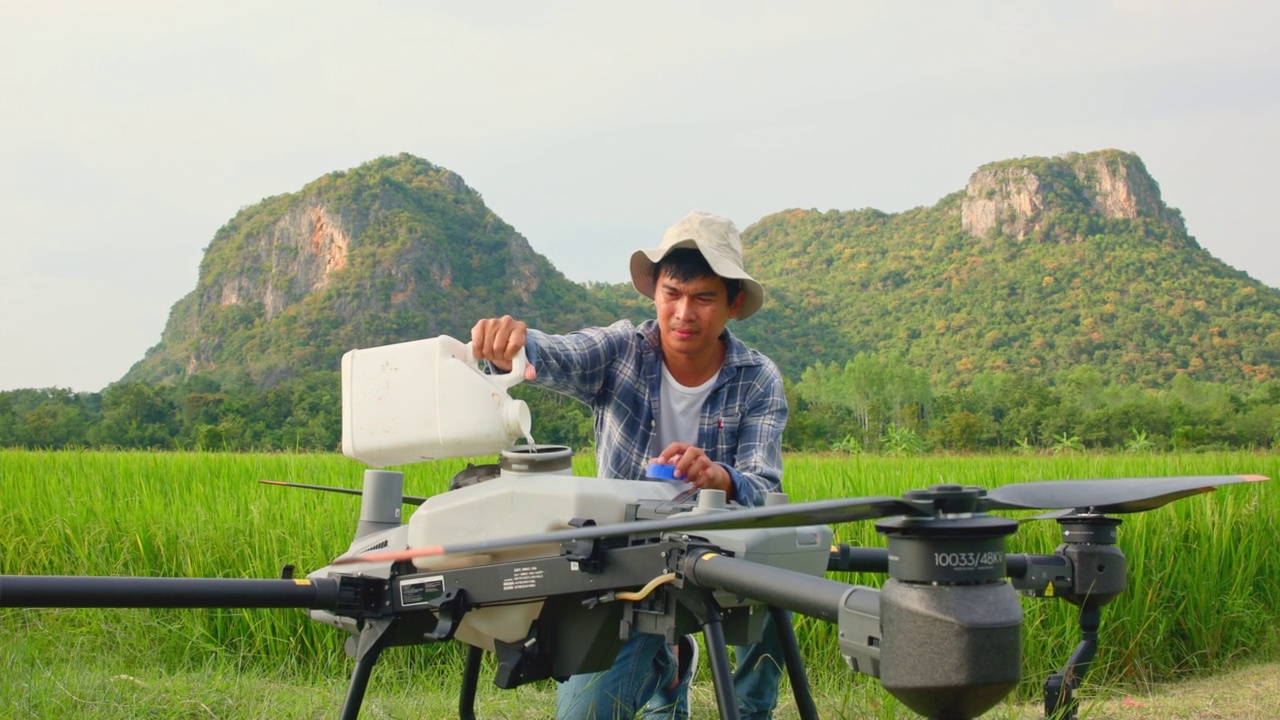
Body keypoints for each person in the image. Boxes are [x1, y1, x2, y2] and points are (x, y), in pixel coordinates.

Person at [471, 210, 788, 720]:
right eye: (672, 295)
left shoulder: (758, 378)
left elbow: (762, 482)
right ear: (655, 294)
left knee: (784, 562)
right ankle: (671, 662)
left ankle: (750, 709)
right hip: (625, 563)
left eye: (703, 298)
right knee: (586, 714)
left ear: (731, 303)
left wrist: (715, 476)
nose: (684, 313)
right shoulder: (621, 350)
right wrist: (512, 344)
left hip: (720, 555)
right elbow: (556, 353)